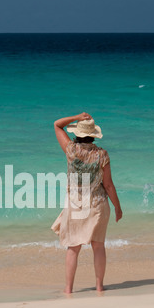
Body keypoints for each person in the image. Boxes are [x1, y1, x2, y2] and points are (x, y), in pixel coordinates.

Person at [51, 112, 122, 293]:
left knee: (73, 247)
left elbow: (57, 125)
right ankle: (99, 287)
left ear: (77, 133)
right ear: (93, 135)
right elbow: (108, 184)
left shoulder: (70, 149)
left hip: (75, 204)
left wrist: (76, 117)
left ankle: (68, 289)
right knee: (98, 246)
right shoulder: (102, 155)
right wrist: (117, 207)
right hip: (97, 204)